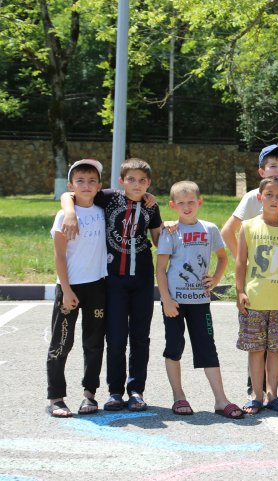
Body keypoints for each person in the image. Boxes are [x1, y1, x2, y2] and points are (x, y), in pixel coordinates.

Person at [60, 158, 162, 412]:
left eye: (142, 181)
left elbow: (160, 240)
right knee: (115, 337)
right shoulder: (109, 198)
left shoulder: (151, 207)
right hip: (114, 281)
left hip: (142, 279)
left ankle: (136, 390)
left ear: (148, 183)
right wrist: (70, 213)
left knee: (140, 337)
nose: (136, 185)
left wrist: (168, 227)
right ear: (121, 181)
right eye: (131, 179)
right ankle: (115, 391)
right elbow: (68, 194)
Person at [220, 144, 278, 400]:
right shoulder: (255, 196)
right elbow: (227, 231)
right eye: (273, 165)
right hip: (261, 281)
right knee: (258, 340)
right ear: (261, 171)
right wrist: (246, 260)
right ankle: (256, 390)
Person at [156, 181, 242, 419]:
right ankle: (178, 396)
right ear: (173, 205)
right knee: (174, 347)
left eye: (191, 202)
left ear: (199, 202)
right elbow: (161, 268)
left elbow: (223, 258)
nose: (186, 207)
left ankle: (220, 399)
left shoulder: (210, 229)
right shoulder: (170, 231)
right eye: (181, 203)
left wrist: (215, 279)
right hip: (174, 302)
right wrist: (166, 299)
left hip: (200, 302)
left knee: (207, 348)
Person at [46, 159, 107, 417]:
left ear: (99, 186)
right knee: (62, 342)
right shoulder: (64, 215)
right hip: (69, 288)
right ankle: (55, 397)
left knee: (94, 343)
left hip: (97, 287)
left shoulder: (103, 210)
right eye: (80, 181)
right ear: (71, 186)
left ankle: (89, 395)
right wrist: (67, 290)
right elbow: (60, 256)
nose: (86, 185)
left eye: (92, 181)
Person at [235, 176, 278, 414]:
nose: (274, 199)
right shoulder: (248, 226)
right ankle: (256, 394)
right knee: (256, 349)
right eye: (269, 195)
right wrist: (240, 291)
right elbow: (241, 261)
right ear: (260, 197)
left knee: (276, 349)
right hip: (255, 299)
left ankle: (273, 394)